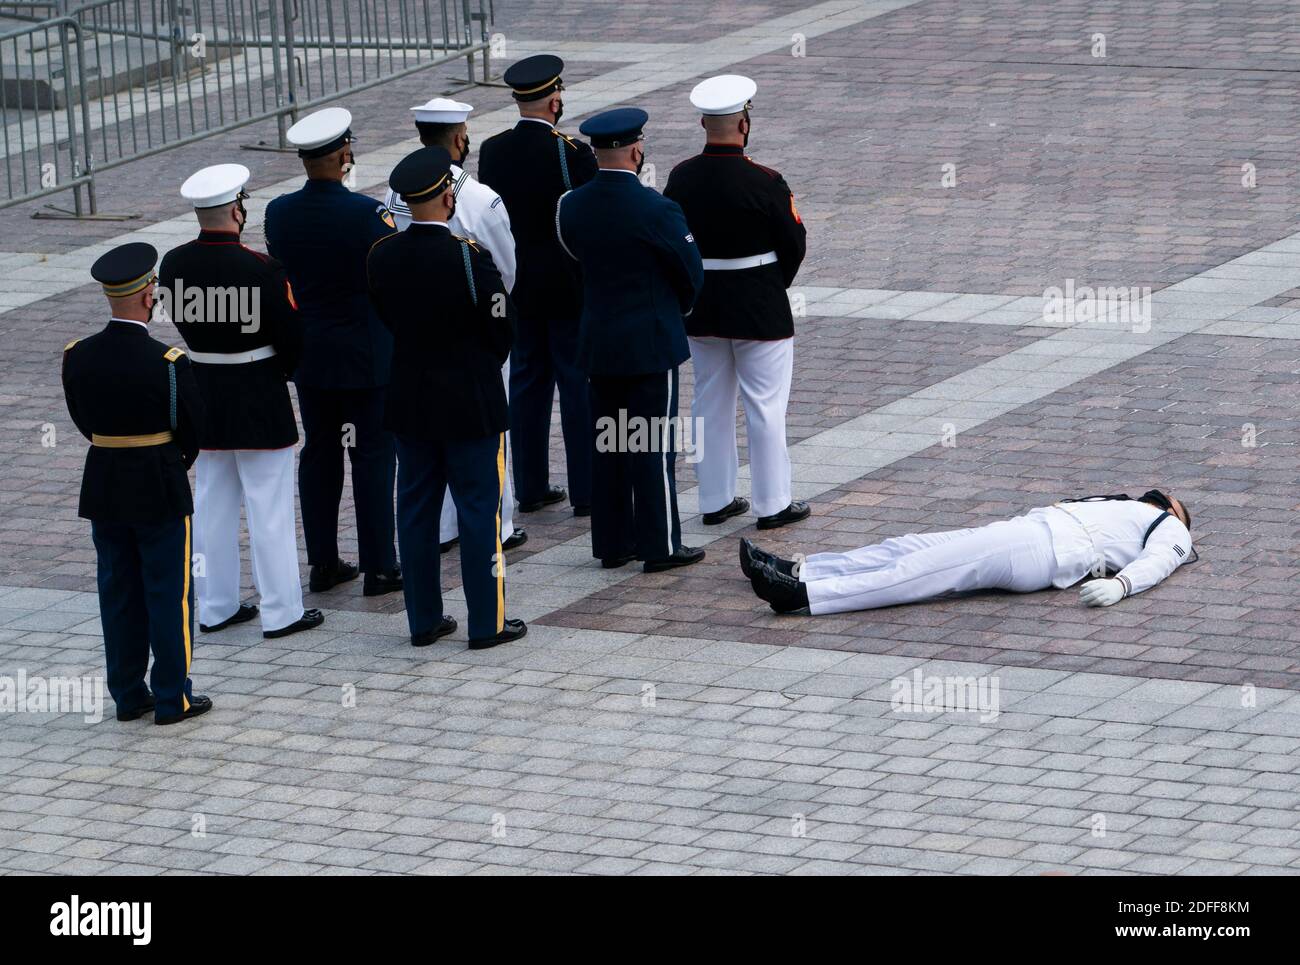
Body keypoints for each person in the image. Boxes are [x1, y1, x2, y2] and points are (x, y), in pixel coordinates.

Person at [366, 146, 527, 650]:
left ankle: (423, 620)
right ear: (444, 196)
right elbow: (502, 325)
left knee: (415, 512)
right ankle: (487, 622)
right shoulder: (466, 256)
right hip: (469, 399)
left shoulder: (382, 254)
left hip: (410, 398)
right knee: (479, 511)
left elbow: (388, 317)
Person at [160, 163, 324, 640]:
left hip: (203, 392)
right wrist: (286, 370)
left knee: (212, 503)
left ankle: (214, 605)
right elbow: (292, 336)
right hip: (257, 391)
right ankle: (281, 610)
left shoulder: (173, 264)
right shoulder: (261, 268)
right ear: (236, 210)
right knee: (268, 506)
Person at [62, 243, 212, 724]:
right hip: (159, 483)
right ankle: (173, 697)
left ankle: (129, 694)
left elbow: (84, 423)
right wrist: (169, 459)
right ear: (149, 294)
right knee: (169, 593)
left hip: (104, 481)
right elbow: (193, 432)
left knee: (118, 590)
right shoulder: (168, 362)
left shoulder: (78, 355)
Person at [556, 107, 706, 572]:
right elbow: (690, 274)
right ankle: (659, 545)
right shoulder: (657, 209)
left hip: (599, 340)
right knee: (652, 446)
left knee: (609, 444)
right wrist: (672, 310)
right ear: (637, 150)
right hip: (649, 341)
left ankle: (614, 542)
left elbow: (574, 257)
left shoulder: (570, 205)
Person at [264, 107, 402, 598]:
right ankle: (380, 565)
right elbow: (388, 275)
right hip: (366, 354)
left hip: (311, 354)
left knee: (320, 454)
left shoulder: (278, 212)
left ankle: (323, 563)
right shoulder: (367, 214)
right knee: (372, 455)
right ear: (345, 155)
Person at [664, 74, 810, 530]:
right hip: (758, 308)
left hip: (703, 307)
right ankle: (773, 504)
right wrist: (770, 285)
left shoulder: (682, 177)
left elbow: (674, 240)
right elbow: (794, 242)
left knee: (708, 402)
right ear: (743, 123)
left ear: (704, 123)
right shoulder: (765, 180)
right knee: (765, 406)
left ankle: (715, 499)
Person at [382, 97, 525, 553]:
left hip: (416, 339)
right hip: (475, 338)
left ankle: (444, 529)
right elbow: (505, 271)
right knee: (484, 439)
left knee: (430, 441)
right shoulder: (480, 198)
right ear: (461, 138)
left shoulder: (396, 192)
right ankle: (496, 526)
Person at [742, 491, 1195, 614]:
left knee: (919, 572)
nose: (1162, 497)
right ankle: (802, 568)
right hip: (1024, 531)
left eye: (1171, 501)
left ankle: (806, 595)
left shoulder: (1170, 528)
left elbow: (1160, 561)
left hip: (1042, 550)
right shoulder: (1121, 504)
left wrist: (1122, 584)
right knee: (906, 547)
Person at [478, 54, 597, 517]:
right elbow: (583, 218)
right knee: (576, 384)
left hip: (518, 284)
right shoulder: (571, 152)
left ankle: (530, 485)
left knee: (526, 386)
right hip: (567, 283)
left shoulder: (493, 149)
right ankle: (586, 490)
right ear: (554, 100)